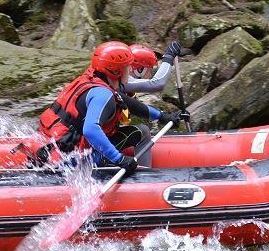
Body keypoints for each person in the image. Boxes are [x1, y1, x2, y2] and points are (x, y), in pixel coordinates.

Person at [37, 41, 187, 174]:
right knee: (143, 132)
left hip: (59, 147)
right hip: (76, 160)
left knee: (141, 129)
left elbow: (129, 103)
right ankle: (144, 178)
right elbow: (90, 130)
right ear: (116, 71)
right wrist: (119, 159)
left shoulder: (95, 80)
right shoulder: (103, 95)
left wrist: (161, 116)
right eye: (127, 67)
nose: (130, 71)